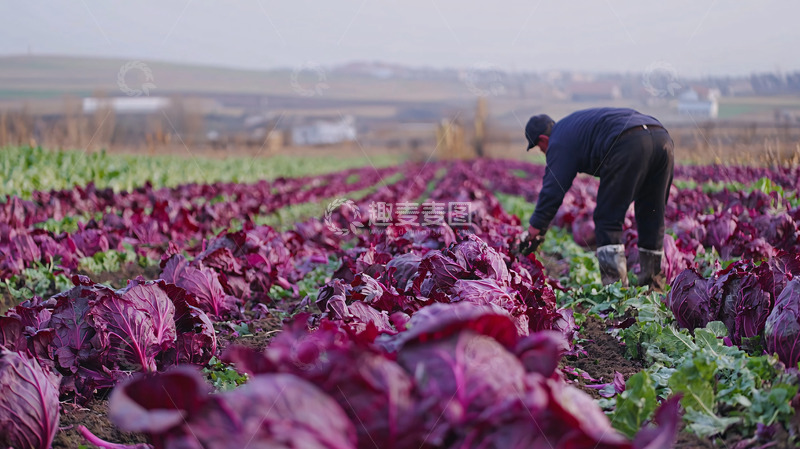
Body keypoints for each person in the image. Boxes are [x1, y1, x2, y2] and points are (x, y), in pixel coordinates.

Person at [520, 107, 674, 289]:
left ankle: (616, 289)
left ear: (543, 140)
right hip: (661, 137)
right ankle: (653, 285)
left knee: (607, 218)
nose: (543, 152)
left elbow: (553, 187)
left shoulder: (558, 141)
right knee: (652, 213)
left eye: (539, 148)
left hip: (627, 142)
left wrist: (536, 226)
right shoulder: (572, 125)